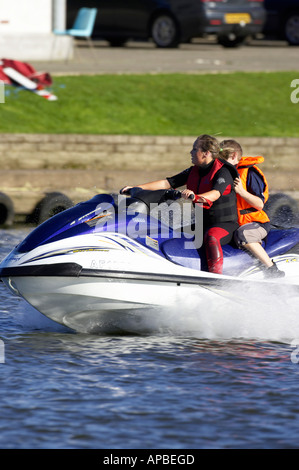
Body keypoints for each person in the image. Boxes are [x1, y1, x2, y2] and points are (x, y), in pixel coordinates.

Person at [121, 134, 239, 274]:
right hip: (203, 223)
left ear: (206, 153)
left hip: (225, 224)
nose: (191, 152)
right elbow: (167, 183)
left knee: (211, 236)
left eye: (195, 149)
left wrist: (196, 197)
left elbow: (215, 194)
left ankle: (216, 278)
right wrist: (137, 188)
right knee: (173, 235)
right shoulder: (194, 170)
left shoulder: (223, 172)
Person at [219, 139, 285, 278]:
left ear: (234, 156)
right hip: (232, 222)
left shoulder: (250, 173)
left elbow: (259, 204)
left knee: (244, 235)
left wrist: (241, 192)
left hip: (254, 223)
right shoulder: (222, 174)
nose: (219, 163)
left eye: (222, 158)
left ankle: (272, 270)